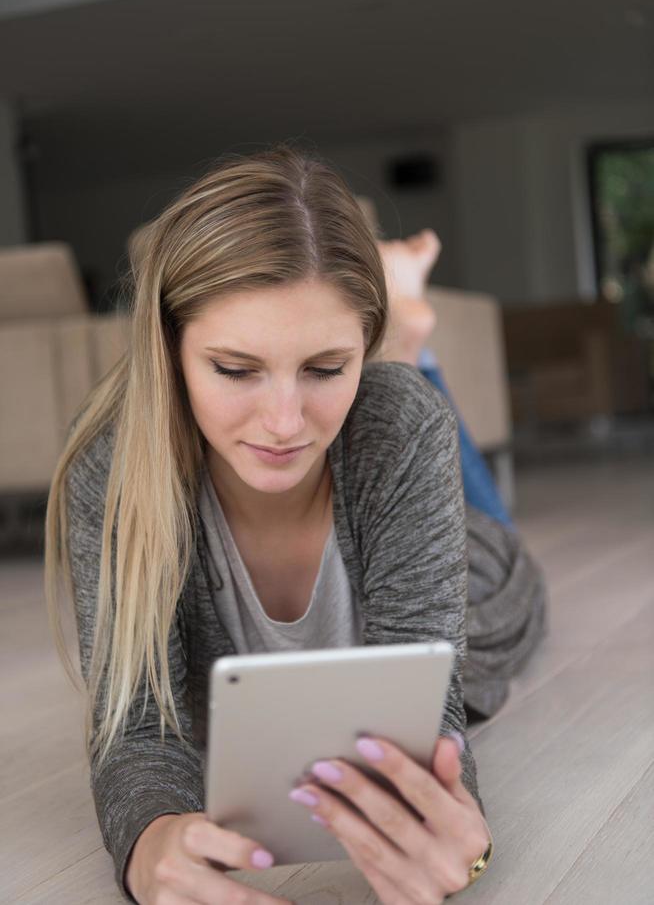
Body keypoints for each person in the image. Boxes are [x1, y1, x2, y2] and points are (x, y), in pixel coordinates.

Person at [44, 147, 546, 905]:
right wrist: (149, 845)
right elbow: (137, 725)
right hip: (378, 447)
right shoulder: (112, 467)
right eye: (236, 369)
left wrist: (459, 829)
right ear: (170, 349)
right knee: (397, 415)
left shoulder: (393, 426)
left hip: (475, 565)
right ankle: (406, 329)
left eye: (325, 367)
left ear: (359, 352)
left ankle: (412, 341)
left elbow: (430, 710)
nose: (282, 424)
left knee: (455, 472)